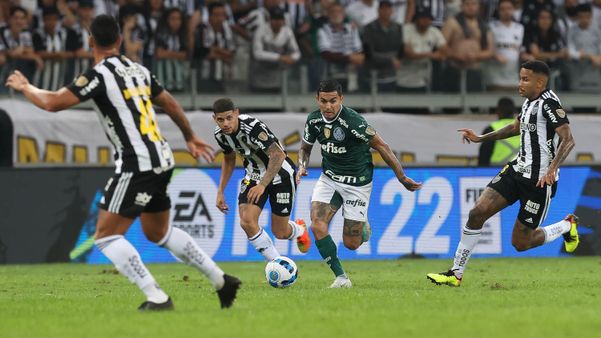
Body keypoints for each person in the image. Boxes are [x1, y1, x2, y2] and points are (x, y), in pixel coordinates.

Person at [5, 14, 241, 310]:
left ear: (91, 42)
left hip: (136, 162)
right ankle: (222, 280)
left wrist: (25, 87)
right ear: (119, 41)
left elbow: (52, 103)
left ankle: (157, 296)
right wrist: (190, 136)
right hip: (162, 158)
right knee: (159, 232)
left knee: (105, 236)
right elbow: (169, 101)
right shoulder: (139, 70)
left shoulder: (97, 75)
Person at [427, 60, 579, 287]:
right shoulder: (529, 103)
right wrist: (481, 137)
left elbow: (568, 140)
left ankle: (566, 226)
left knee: (520, 242)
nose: (520, 83)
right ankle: (455, 274)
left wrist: (552, 168)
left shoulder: (549, 104)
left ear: (540, 82)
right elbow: (515, 127)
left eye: (525, 79)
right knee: (477, 212)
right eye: (520, 78)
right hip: (516, 170)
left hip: (538, 181)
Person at [297, 79, 422, 288]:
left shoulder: (353, 121)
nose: (328, 106)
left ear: (341, 99)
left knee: (351, 244)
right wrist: (301, 165)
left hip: (357, 184)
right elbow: (305, 147)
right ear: (317, 100)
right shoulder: (314, 120)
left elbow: (382, 146)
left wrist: (401, 177)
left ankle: (363, 226)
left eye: (333, 101)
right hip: (329, 179)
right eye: (324, 101)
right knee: (317, 225)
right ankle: (341, 278)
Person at [212, 98, 311, 261]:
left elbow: (278, 155)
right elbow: (229, 159)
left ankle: (299, 230)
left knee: (280, 232)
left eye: (229, 117)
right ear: (214, 118)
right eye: (220, 120)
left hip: (281, 175)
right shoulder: (220, 135)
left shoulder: (252, 127)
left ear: (237, 113)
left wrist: (263, 185)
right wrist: (220, 191)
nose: (225, 124)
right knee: (246, 221)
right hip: (254, 176)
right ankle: (278, 263)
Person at [478, 97, 519, 166]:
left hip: (496, 171)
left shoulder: (491, 128)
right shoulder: (522, 127)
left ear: (498, 111)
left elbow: (484, 155)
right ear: (514, 112)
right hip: (520, 172)